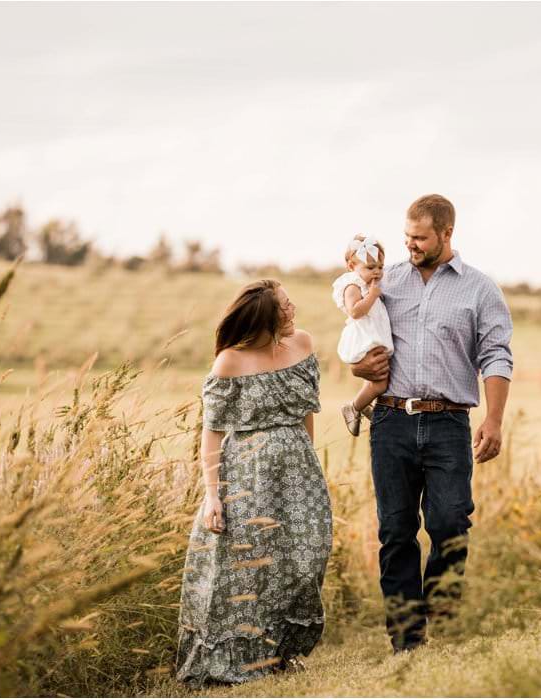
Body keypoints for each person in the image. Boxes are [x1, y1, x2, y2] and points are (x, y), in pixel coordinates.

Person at [351, 194, 513, 653]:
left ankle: (441, 607)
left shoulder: (480, 289)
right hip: (390, 421)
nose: (411, 245)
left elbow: (496, 355)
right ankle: (406, 637)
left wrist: (494, 420)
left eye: (420, 238)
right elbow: (363, 341)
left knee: (449, 521)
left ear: (447, 234)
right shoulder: (388, 283)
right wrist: (359, 369)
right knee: (395, 529)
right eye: (406, 237)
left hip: (448, 424)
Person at [175, 280, 332, 685]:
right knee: (246, 567)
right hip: (247, 473)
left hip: (297, 469)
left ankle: (284, 649)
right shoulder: (230, 361)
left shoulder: (303, 344)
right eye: (284, 305)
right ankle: (239, 658)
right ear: (265, 315)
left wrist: (308, 464)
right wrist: (212, 495)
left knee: (304, 560)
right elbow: (211, 432)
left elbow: (306, 411)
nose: (292, 308)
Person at [332, 234, 394, 436]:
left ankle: (364, 406)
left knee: (375, 380)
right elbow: (356, 311)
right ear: (351, 266)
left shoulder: (368, 286)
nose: (376, 272)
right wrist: (373, 295)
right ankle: (354, 407)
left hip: (373, 336)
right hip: (364, 338)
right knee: (380, 382)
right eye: (370, 267)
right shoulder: (352, 285)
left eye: (380, 267)